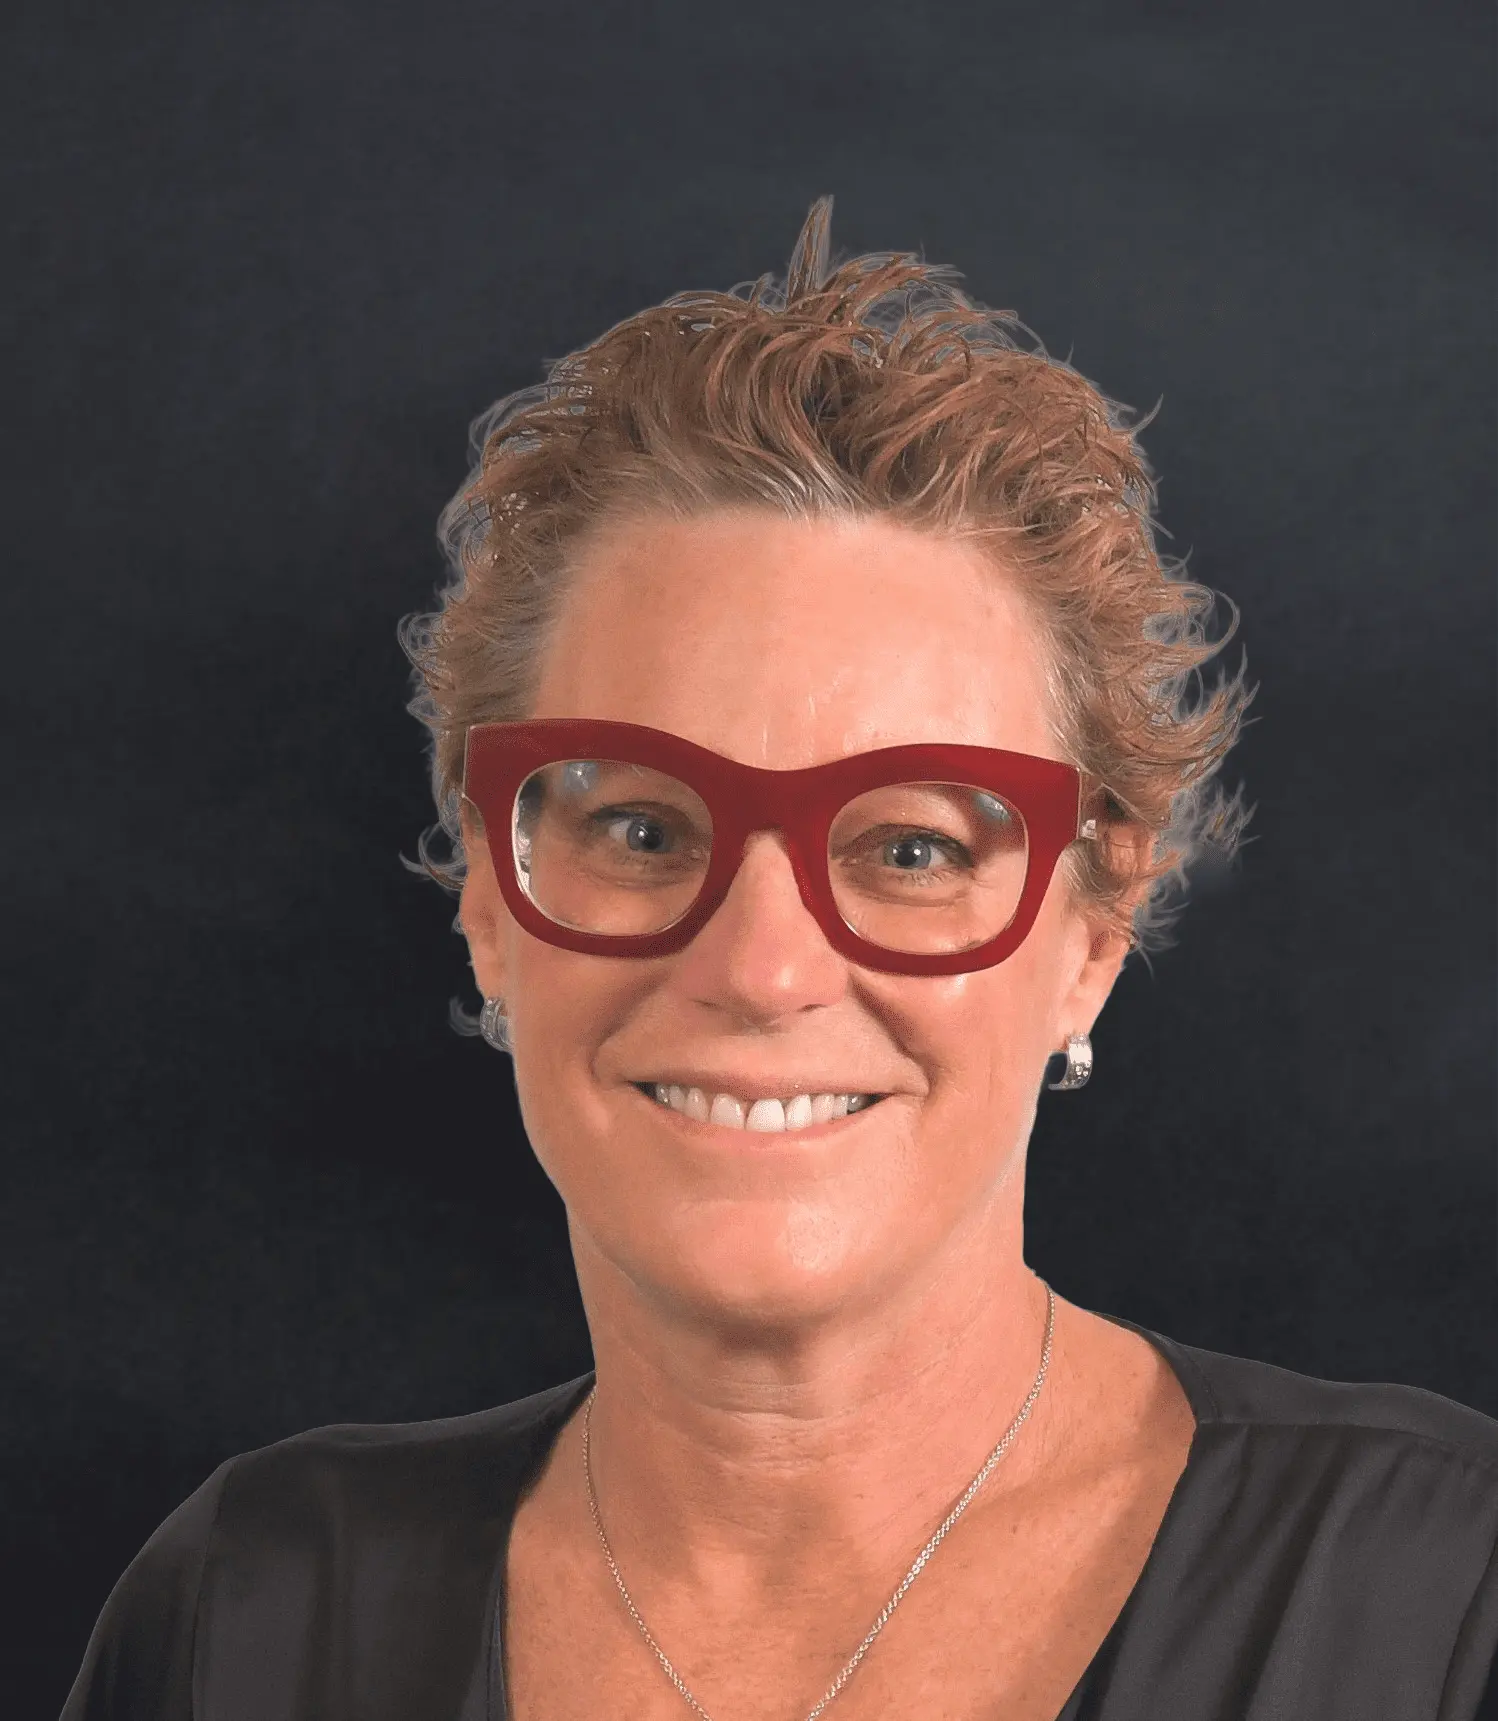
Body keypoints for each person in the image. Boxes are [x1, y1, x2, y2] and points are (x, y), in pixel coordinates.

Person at [62, 196, 1498, 1721]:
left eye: (910, 850)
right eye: (641, 830)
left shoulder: (1444, 1598)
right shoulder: (244, 1620)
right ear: (490, 899)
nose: (759, 970)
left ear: (1089, 938)